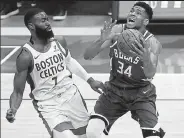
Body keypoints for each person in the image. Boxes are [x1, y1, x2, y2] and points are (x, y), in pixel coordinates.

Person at [5, 8, 105, 138]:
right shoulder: (26, 56)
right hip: (48, 104)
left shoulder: (59, 41)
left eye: (47, 19)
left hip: (72, 97)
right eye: (42, 21)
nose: (47, 23)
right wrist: (13, 109)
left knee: (90, 136)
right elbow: (18, 91)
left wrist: (90, 80)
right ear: (31, 26)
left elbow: (70, 62)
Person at [84, 2, 166, 138]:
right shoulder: (116, 31)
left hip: (141, 93)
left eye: (138, 12)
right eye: (132, 11)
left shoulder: (152, 43)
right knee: (91, 133)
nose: (133, 13)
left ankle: (153, 125)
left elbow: (150, 74)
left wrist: (146, 59)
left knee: (153, 137)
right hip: (114, 91)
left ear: (145, 21)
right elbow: (87, 56)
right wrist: (101, 40)